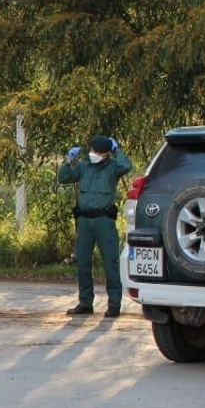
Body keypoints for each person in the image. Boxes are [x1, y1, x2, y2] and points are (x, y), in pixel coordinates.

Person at [58, 135, 133, 318]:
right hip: (84, 221)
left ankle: (114, 304)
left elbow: (126, 166)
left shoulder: (113, 167)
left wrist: (118, 150)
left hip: (104, 222)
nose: (93, 154)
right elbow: (64, 178)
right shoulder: (84, 166)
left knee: (110, 263)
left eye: (97, 152)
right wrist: (68, 161)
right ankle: (85, 302)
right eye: (92, 150)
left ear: (106, 154)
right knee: (83, 262)